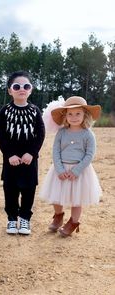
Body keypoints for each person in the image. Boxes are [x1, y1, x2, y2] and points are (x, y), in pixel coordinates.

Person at [39, 96, 102, 237]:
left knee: (77, 199)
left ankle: (73, 222)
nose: (74, 117)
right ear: (65, 116)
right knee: (56, 196)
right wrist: (60, 169)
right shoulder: (61, 133)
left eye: (78, 113)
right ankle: (58, 216)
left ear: (85, 115)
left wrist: (77, 170)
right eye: (70, 114)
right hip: (60, 169)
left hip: (80, 171)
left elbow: (90, 154)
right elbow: (56, 151)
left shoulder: (88, 134)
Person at [0, 70, 45, 235]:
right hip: (11, 160)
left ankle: (25, 219)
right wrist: (9, 154)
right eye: (16, 86)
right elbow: (0, 134)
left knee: (29, 190)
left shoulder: (35, 111)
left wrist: (32, 153)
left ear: (31, 89)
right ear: (10, 90)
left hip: (29, 160)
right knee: (10, 190)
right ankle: (11, 219)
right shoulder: (5, 111)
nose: (21, 89)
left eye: (26, 86)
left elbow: (40, 134)